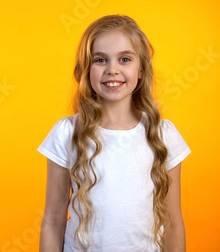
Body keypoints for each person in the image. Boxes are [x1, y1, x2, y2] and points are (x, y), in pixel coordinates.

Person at [36, 15, 191, 252]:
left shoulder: (163, 135)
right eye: (100, 60)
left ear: (141, 70)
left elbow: (173, 224)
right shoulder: (66, 132)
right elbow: (53, 219)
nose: (112, 70)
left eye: (125, 59)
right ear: (87, 69)